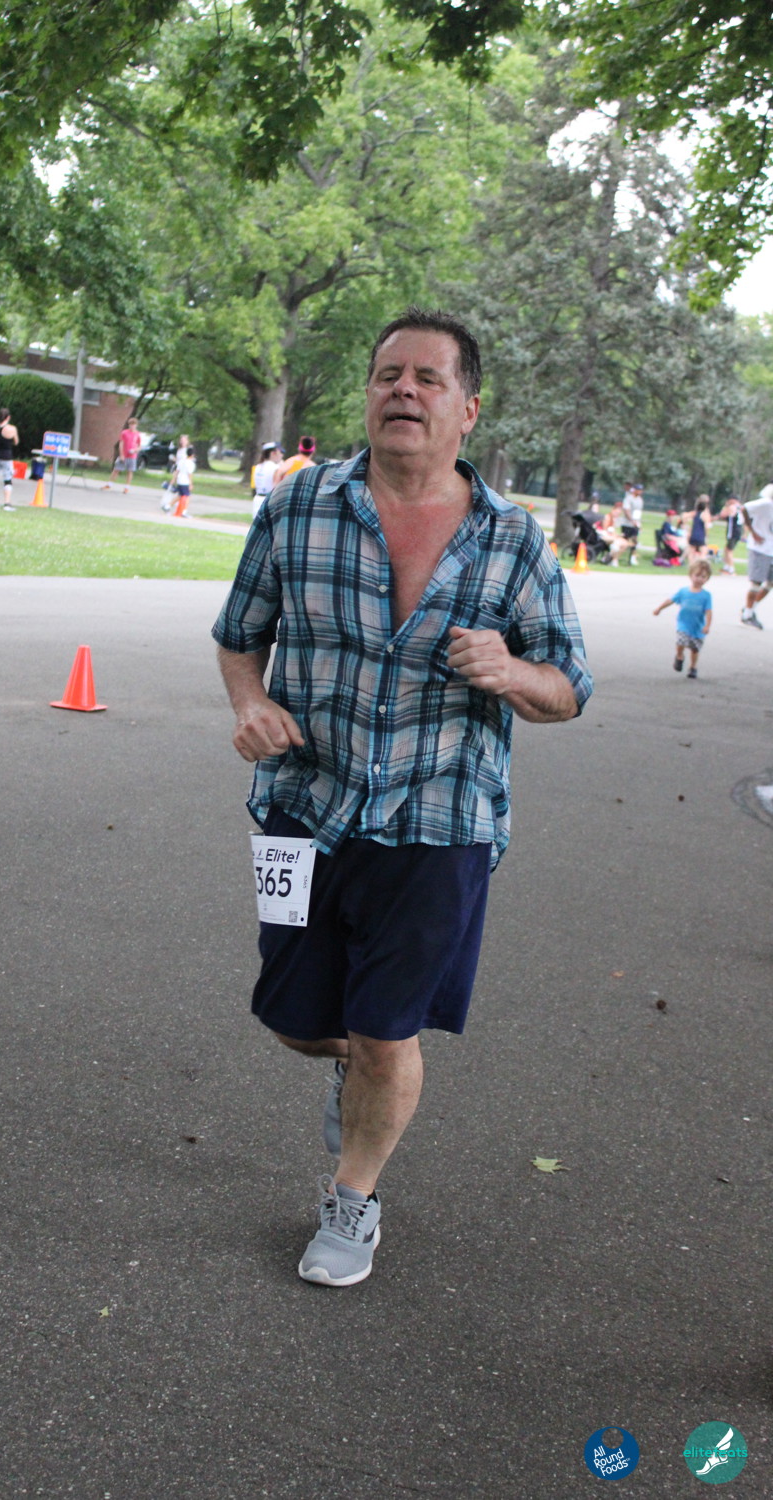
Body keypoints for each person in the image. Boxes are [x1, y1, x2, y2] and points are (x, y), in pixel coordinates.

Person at [212, 306, 593, 1287]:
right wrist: (250, 703)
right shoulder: (298, 507)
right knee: (295, 1018)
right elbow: (239, 634)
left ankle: (354, 1199)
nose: (404, 391)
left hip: (440, 820)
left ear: (468, 409)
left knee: (389, 1032)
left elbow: (569, 688)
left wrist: (511, 671)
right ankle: (357, 1066)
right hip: (304, 805)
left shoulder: (512, 542)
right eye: (389, 375)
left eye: (428, 379)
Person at [653, 560, 713, 679]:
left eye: (703, 577)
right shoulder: (683, 591)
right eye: (697, 575)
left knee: (695, 649)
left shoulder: (706, 595)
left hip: (698, 627)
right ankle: (679, 655)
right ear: (691, 575)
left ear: (707, 579)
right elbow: (671, 600)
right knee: (681, 642)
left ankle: (693, 667)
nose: (699, 579)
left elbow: (709, 611)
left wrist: (707, 626)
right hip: (683, 624)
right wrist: (659, 608)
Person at [740, 482, 773, 629]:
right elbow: (744, 508)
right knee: (756, 583)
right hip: (760, 549)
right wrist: (753, 531)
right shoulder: (765, 503)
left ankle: (750, 608)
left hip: (771, 550)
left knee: (770, 583)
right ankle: (747, 615)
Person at [105, 416, 141, 492]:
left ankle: (127, 487)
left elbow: (139, 446)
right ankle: (109, 484)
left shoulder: (138, 434)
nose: (132, 426)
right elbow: (121, 444)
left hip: (132, 456)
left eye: (133, 424)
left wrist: (135, 450)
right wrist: (121, 455)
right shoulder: (124, 433)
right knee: (116, 469)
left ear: (136, 425)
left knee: (130, 471)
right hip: (124, 455)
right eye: (131, 424)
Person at [251, 442, 284, 519]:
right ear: (273, 453)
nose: (281, 455)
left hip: (257, 499)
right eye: (280, 452)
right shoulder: (275, 467)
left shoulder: (258, 466)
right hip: (269, 500)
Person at [717, 496, 743, 575]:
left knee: (729, 550)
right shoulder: (740, 507)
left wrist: (726, 506)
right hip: (737, 531)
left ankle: (731, 569)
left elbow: (722, 515)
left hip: (733, 532)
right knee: (726, 549)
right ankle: (727, 566)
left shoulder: (732, 507)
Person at [170, 443, 196, 517]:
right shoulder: (191, 463)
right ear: (193, 455)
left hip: (179, 480)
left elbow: (177, 471)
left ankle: (170, 506)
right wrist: (190, 484)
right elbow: (189, 474)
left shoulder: (181, 461)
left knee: (181, 496)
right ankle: (184, 511)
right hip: (185, 482)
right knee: (186, 496)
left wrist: (174, 479)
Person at [685, 494, 713, 563]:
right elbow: (706, 526)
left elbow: (684, 516)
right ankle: (701, 564)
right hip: (701, 535)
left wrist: (687, 526)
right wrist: (706, 535)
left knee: (691, 551)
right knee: (703, 551)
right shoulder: (705, 513)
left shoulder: (695, 513)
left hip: (693, 535)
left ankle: (691, 565)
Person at [621, 483, 643, 563]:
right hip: (627, 523)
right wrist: (631, 520)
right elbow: (627, 510)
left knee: (634, 539)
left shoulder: (640, 500)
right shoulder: (629, 498)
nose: (639, 491)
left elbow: (638, 512)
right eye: (638, 490)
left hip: (636, 523)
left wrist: (638, 523)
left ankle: (632, 556)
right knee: (624, 540)